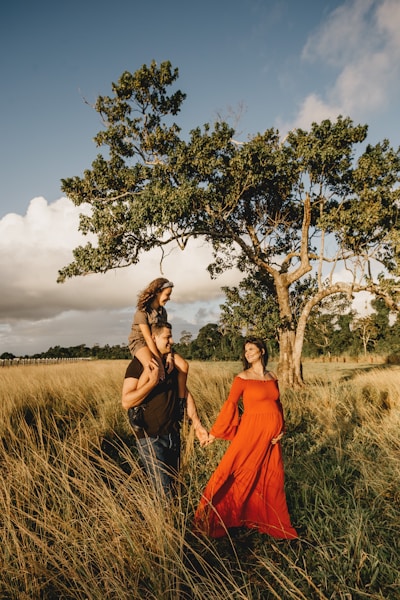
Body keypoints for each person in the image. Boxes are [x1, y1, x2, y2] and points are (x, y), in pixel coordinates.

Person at [194, 336, 298, 539]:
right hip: (250, 433)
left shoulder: (272, 376)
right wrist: (214, 433)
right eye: (245, 350)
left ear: (262, 351)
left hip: (271, 439)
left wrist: (281, 429)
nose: (247, 353)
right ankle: (210, 516)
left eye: (251, 349)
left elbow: (278, 405)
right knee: (233, 470)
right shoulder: (242, 378)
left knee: (271, 477)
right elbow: (230, 406)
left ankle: (266, 519)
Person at [122, 322, 209, 497]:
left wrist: (197, 424)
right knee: (164, 494)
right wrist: (152, 382)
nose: (172, 340)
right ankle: (163, 524)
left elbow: (185, 394)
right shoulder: (139, 365)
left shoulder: (171, 365)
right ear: (153, 338)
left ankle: (172, 521)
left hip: (173, 435)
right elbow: (126, 401)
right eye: (167, 337)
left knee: (175, 489)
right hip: (150, 437)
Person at [128, 277, 188, 400]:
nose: (169, 298)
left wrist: (169, 355)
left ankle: (181, 401)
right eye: (167, 294)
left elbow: (165, 333)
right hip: (141, 342)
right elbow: (148, 338)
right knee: (152, 367)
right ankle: (136, 403)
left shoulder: (163, 312)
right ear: (157, 292)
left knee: (183, 365)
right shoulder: (142, 312)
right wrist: (160, 361)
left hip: (158, 342)